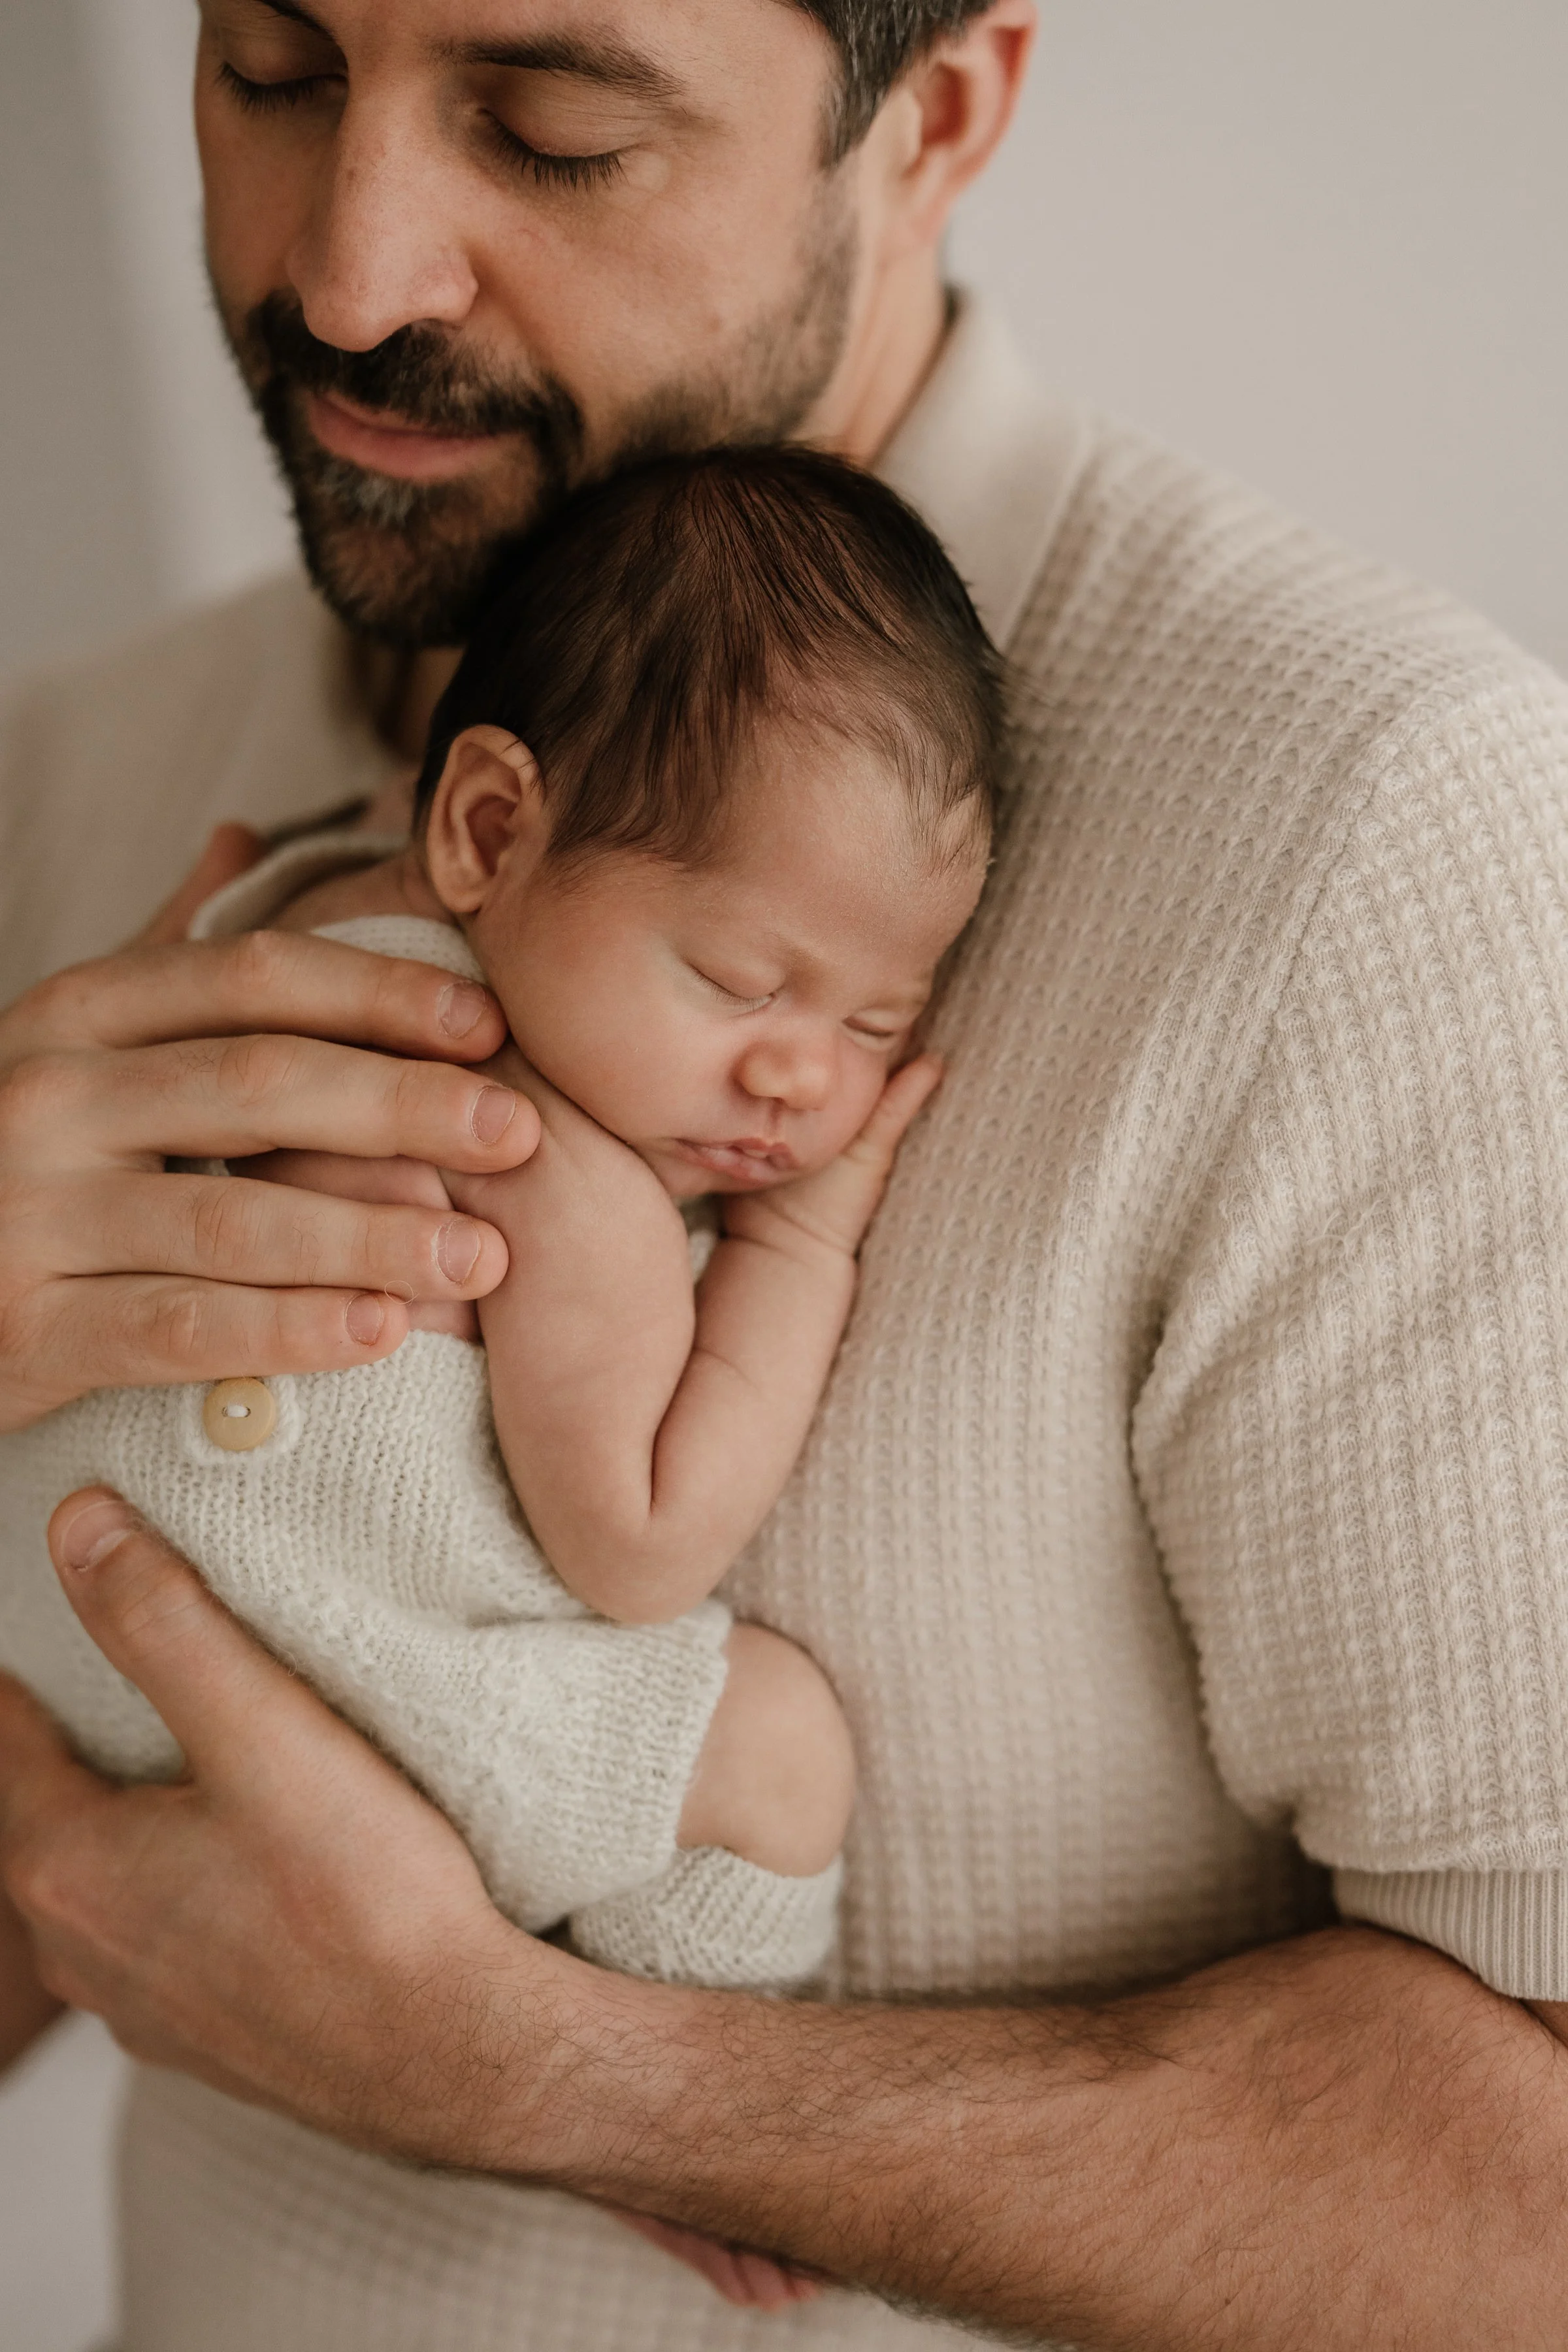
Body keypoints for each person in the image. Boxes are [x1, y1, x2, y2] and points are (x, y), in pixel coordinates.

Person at [1, 1, 1567, 2344]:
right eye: (271, 70)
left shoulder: (1385, 838)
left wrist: (558, 2072)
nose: (348, 273)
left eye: (549, 130)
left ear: (930, 121)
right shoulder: (100, 755)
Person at [0, 446, 997, 2020]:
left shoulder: (259, 908)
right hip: (330, 1710)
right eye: (741, 981)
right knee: (775, 1741)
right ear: (485, 825)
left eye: (881, 1021)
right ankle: (688, 2053)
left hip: (53, 1646)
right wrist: (795, 1249)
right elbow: (642, 1546)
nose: (806, 1076)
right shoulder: (551, 1164)